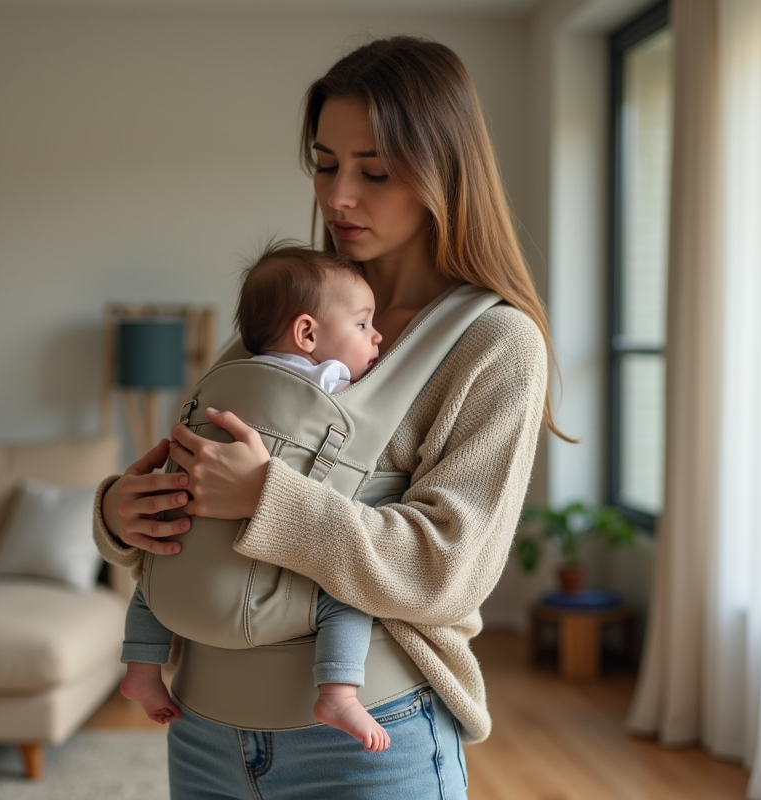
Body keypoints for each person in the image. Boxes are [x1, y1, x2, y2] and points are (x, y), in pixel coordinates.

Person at [94, 35, 566, 799]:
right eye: (324, 163)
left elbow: (448, 568)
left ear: (444, 171)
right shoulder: (289, 316)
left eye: (374, 171)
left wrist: (267, 499)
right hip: (202, 730)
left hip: (368, 738)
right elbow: (193, 476)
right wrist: (118, 513)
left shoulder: (493, 342)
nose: (339, 195)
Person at [119, 242, 390, 753]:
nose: (376, 336)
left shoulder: (225, 379)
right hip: (267, 561)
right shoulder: (328, 378)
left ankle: (140, 667)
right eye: (362, 324)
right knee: (350, 595)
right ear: (307, 333)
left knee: (156, 570)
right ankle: (337, 690)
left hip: (191, 548)